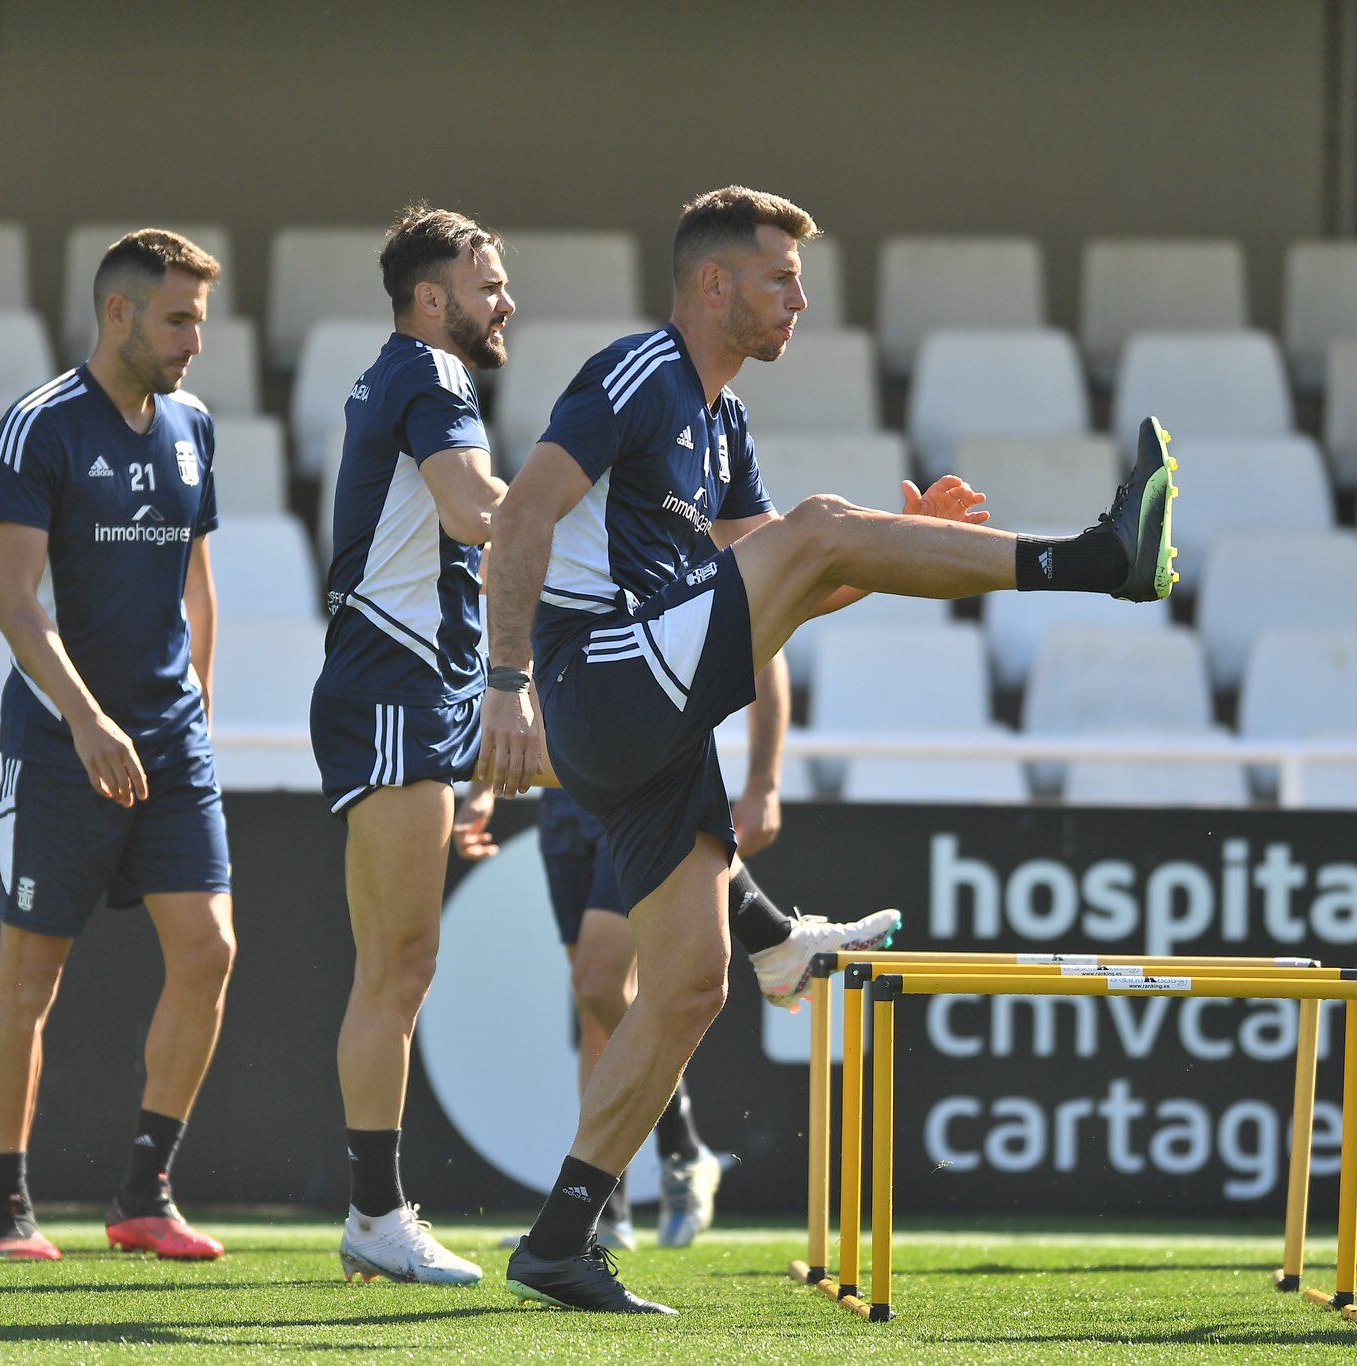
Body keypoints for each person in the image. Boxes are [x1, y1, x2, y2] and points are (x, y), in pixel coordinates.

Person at [479, 186, 1177, 1312]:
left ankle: (560, 1237)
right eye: (779, 278)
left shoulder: (725, 423)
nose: (799, 299)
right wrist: (506, 687)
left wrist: (910, 547)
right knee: (818, 524)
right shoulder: (635, 373)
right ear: (713, 284)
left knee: (690, 989)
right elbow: (518, 518)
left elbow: (785, 601)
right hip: (594, 681)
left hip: (652, 715)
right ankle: (1098, 560)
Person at [0, 229, 234, 1262]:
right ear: (118, 312)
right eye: (177, 320)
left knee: (210, 952)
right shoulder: (37, 427)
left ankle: (144, 1189)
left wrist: (196, 709)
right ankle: (8, 1206)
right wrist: (86, 718)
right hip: (58, 744)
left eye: (200, 323)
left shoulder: (194, 425)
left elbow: (196, 580)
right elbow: (12, 599)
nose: (193, 343)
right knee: (30, 979)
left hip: (172, 745)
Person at [454, 663, 901, 1251]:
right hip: (566, 790)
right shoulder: (541, 571)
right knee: (599, 1004)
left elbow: (760, 647)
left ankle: (773, 953)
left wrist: (765, 779)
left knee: (599, 975)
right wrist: (486, 784)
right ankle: (604, 1208)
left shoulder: (668, 566)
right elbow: (526, 651)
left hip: (640, 775)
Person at [310, 204, 511, 1288]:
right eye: (488, 284)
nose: (503, 301)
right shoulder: (430, 380)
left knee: (399, 964)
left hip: (410, 695)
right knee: (395, 967)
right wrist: (588, 506)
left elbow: (450, 553)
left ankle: (372, 1212)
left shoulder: (403, 375)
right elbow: (477, 513)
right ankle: (375, 1214)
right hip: (390, 691)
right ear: (432, 299)